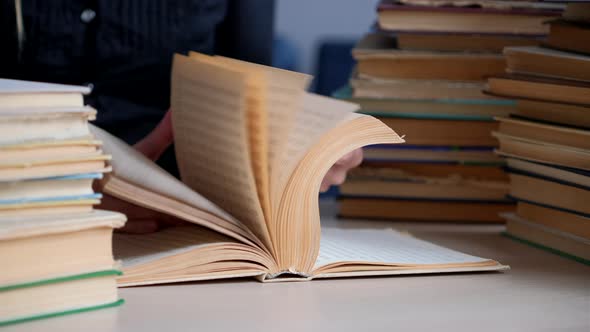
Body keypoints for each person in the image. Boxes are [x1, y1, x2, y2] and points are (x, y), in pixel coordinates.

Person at [1, 0, 363, 232]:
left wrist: (295, 144)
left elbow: (249, 91)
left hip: (178, 216)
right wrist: (70, 186)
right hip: (29, 203)